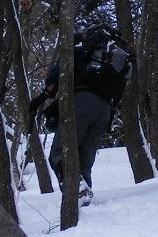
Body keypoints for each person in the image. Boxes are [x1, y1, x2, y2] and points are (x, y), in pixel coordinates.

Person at [29, 25, 133, 205]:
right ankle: (85, 203)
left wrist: (42, 97)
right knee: (84, 161)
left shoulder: (80, 52)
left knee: (59, 152)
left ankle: (77, 190)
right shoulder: (116, 60)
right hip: (104, 110)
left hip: (82, 102)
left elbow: (55, 76)